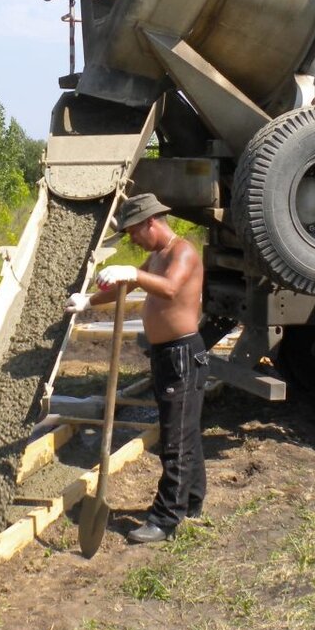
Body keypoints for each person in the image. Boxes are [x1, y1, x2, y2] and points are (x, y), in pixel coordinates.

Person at [66, 192, 208, 543]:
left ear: (151, 222)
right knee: (183, 431)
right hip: (165, 355)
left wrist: (132, 272)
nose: (131, 238)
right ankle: (191, 500)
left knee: (174, 439)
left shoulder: (182, 252)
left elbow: (172, 289)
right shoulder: (155, 257)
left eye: (132, 231)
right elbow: (125, 287)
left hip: (182, 355)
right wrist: (89, 301)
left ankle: (165, 519)